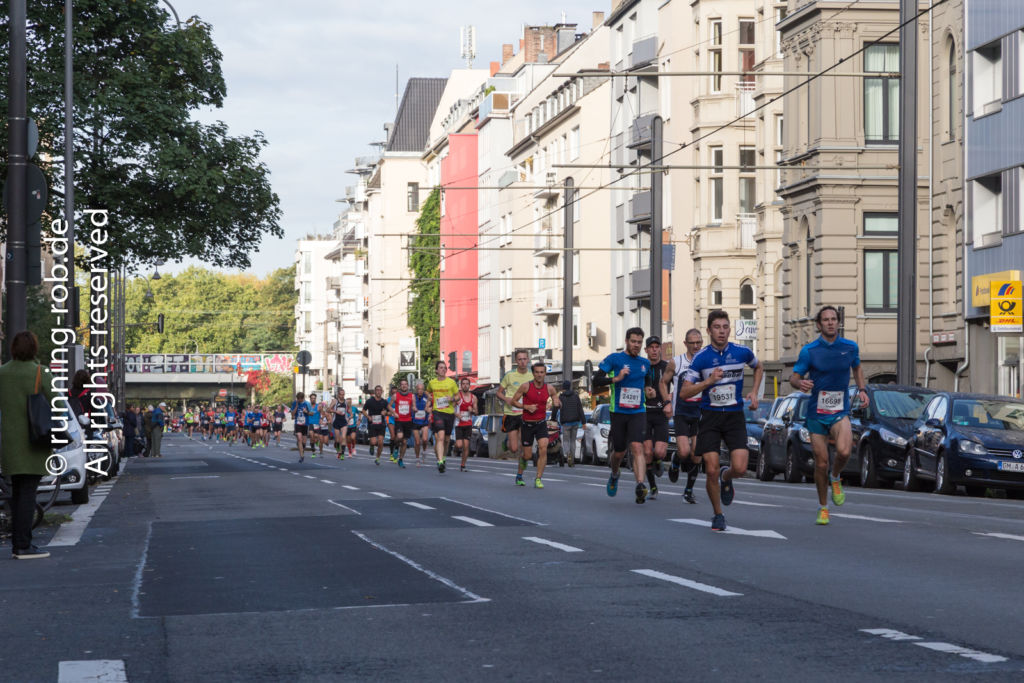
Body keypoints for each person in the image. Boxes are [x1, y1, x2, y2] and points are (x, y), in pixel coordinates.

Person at [679, 310, 763, 532]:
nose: (722, 331)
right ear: (709, 330)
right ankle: (718, 514)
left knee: (741, 467)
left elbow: (759, 366)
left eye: (725, 327)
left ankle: (728, 477)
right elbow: (684, 393)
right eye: (717, 327)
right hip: (710, 417)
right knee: (711, 469)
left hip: (735, 415)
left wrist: (754, 392)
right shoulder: (701, 358)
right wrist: (708, 382)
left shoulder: (742, 352)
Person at [790, 305, 869, 525]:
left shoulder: (850, 347)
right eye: (826, 320)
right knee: (821, 463)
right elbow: (793, 377)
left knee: (844, 451)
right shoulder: (810, 350)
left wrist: (862, 390)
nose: (831, 322)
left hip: (839, 410)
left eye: (834, 319)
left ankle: (836, 477)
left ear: (838, 322)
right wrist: (800, 383)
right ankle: (823, 507)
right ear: (819, 324)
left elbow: (857, 368)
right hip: (816, 412)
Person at [0, 331, 57, 558]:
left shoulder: (2, 373)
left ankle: (19, 542)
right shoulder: (39, 372)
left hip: (9, 443)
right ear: (34, 348)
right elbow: (58, 401)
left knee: (16, 493)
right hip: (34, 441)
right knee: (28, 495)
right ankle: (23, 545)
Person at [593, 328, 651, 503]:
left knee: (637, 447)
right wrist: (616, 379)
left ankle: (640, 485)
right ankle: (614, 473)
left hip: (638, 411)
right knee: (619, 452)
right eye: (633, 341)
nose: (636, 345)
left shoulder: (645, 363)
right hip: (618, 411)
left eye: (639, 342)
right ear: (626, 341)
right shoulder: (614, 359)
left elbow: (647, 380)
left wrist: (649, 389)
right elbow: (596, 381)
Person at [666, 328, 705, 503]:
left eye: (699, 343)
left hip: (699, 413)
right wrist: (667, 402)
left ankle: (688, 490)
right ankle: (675, 460)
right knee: (684, 452)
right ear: (685, 344)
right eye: (692, 343)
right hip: (681, 412)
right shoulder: (676, 362)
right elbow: (663, 382)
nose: (696, 346)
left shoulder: (707, 362)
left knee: (697, 454)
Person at [510, 362, 560, 488]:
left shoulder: (550, 388)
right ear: (533, 373)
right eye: (537, 372)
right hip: (527, 424)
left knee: (543, 448)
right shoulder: (525, 386)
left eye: (542, 372)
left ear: (545, 373)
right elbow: (513, 401)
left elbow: (555, 397)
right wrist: (526, 406)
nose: (539, 375)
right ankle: (519, 475)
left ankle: (538, 478)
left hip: (541, 424)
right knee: (527, 455)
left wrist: (556, 401)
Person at [642, 336, 673, 499]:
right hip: (645, 414)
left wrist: (670, 402)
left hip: (661, 414)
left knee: (660, 452)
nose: (654, 349)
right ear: (646, 350)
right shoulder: (641, 366)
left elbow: (677, 386)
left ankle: (658, 461)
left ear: (660, 349)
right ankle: (653, 487)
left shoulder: (666, 367)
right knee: (647, 452)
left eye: (656, 347)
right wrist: (644, 392)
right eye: (651, 347)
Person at [497, 349, 532, 462]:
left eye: (524, 359)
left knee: (524, 441)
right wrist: (506, 398)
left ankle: (523, 461)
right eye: (520, 359)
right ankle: (506, 441)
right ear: (516, 361)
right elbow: (498, 392)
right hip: (511, 413)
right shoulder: (509, 375)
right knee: (513, 448)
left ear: (528, 360)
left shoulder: (532, 375)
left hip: (525, 413)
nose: (522, 361)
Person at [427, 360, 458, 473]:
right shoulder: (432, 383)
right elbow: (427, 391)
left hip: (449, 413)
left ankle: (443, 458)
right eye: (441, 368)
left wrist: (453, 399)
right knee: (440, 437)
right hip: (437, 412)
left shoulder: (451, 382)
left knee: (446, 439)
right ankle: (440, 461)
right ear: (436, 370)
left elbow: (458, 396)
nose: (443, 370)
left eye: (445, 368)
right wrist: (429, 397)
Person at [554, 381, 584, 467]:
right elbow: (580, 409)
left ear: (563, 387)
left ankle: (568, 454)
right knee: (573, 441)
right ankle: (573, 459)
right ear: (570, 387)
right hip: (575, 422)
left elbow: (555, 408)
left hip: (566, 422)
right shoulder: (576, 396)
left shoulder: (561, 397)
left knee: (566, 440)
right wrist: (584, 422)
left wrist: (553, 418)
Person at [453, 377, 477, 472]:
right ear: (461, 385)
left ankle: (463, 465)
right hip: (459, 424)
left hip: (468, 424)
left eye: (467, 384)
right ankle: (454, 448)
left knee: (466, 446)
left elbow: (476, 411)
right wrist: (456, 414)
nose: (465, 385)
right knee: (459, 445)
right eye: (463, 384)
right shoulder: (457, 396)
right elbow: (450, 408)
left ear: (469, 385)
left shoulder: (473, 398)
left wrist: (473, 410)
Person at [390, 379, 415, 469]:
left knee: (404, 442)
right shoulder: (395, 395)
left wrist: (414, 408)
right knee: (399, 437)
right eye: (402, 384)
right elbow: (389, 406)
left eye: (405, 384)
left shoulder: (412, 396)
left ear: (407, 386)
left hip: (408, 421)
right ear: (400, 386)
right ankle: (396, 447)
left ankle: (400, 459)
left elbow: (414, 406)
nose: (404, 386)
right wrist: (393, 413)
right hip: (399, 420)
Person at [363, 385, 390, 465]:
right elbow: (364, 410)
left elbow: (389, 412)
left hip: (381, 424)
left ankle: (377, 458)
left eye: (380, 390)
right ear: (375, 391)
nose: (378, 391)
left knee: (381, 442)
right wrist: (368, 417)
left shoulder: (384, 402)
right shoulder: (369, 401)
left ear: (382, 392)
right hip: (372, 424)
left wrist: (385, 413)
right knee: (373, 442)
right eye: (377, 390)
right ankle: (371, 446)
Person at [411, 382, 431, 465]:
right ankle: (417, 458)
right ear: (416, 389)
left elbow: (432, 402)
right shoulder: (413, 396)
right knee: (418, 442)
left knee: (425, 439)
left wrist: (429, 409)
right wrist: (413, 407)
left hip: (424, 421)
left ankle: (424, 451)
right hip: (415, 421)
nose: (420, 391)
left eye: (422, 389)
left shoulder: (426, 397)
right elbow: (412, 405)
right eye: (418, 389)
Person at [291, 392, 313, 462]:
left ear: (302, 398)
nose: (298, 400)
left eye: (299, 399)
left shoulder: (307, 403)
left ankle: (302, 449)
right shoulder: (295, 403)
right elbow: (292, 414)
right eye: (297, 399)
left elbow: (312, 413)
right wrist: (296, 407)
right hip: (297, 424)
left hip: (305, 424)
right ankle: (302, 456)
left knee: (304, 442)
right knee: (299, 438)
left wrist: (306, 412)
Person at [331, 390, 349, 459]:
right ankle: (337, 446)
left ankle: (342, 453)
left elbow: (349, 410)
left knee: (343, 437)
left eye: (343, 394)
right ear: (338, 395)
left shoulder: (346, 402)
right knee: (337, 440)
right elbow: (328, 409)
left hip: (344, 422)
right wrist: (336, 411)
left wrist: (350, 415)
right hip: (336, 421)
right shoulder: (335, 401)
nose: (342, 396)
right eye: (341, 395)